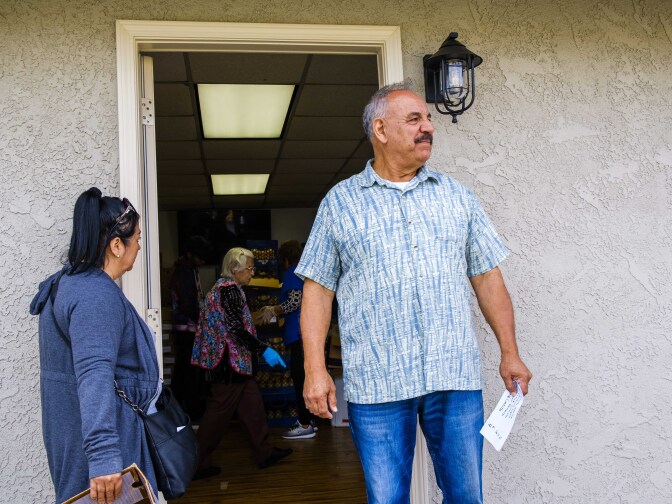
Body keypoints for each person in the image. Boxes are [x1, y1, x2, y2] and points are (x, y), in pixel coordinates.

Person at [295, 82, 533, 504]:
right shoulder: (341, 203)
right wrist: (315, 369)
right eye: (415, 120)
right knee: (387, 499)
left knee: (466, 496)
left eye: (428, 119)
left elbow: (487, 278)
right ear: (381, 130)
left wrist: (509, 352)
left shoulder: (456, 197)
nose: (429, 128)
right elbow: (318, 290)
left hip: (453, 375)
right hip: (377, 382)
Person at [29, 188, 161, 503]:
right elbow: (94, 374)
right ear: (117, 245)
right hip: (106, 449)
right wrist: (103, 456)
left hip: (77, 437)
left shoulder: (70, 284)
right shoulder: (94, 295)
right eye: (138, 239)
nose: (139, 247)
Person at [191, 247, 293, 479]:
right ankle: (197, 463)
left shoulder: (222, 289)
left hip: (234, 363)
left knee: (252, 407)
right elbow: (235, 330)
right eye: (249, 268)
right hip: (229, 365)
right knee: (217, 415)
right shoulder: (230, 292)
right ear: (234, 269)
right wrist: (263, 349)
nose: (252, 272)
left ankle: (264, 453)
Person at [260, 240, 317, 439]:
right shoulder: (303, 272)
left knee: (300, 379)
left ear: (284, 258)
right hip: (306, 332)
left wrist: (274, 309)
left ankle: (305, 423)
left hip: (299, 334)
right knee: (305, 378)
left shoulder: (292, 273)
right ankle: (310, 420)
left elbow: (294, 301)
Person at [170, 235, 212, 420]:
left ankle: (179, 408)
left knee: (184, 370)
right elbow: (188, 304)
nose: (202, 261)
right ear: (190, 254)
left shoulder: (188, 270)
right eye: (199, 257)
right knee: (188, 371)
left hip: (188, 328)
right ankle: (190, 410)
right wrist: (203, 319)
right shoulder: (184, 273)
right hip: (186, 329)